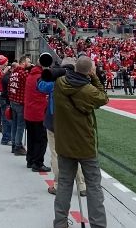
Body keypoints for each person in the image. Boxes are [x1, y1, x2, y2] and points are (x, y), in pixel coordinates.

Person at [51, 56, 109, 228]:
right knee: (93, 187)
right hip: (85, 145)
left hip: (64, 143)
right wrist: (95, 76)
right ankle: (98, 225)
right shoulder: (89, 90)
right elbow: (103, 98)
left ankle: (60, 222)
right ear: (89, 70)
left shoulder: (60, 83)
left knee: (64, 185)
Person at [38, 57, 86, 197]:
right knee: (75, 154)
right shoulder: (80, 80)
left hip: (55, 122)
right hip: (74, 123)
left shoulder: (55, 80)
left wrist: (47, 72)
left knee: (56, 154)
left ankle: (58, 185)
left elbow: (40, 86)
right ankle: (82, 185)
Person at [24, 53, 50, 172]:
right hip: (38, 112)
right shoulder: (41, 77)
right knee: (41, 139)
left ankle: (30, 160)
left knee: (31, 137)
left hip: (29, 111)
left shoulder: (30, 75)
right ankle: (38, 162)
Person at [7, 56, 29, 155]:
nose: (30, 63)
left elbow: (9, 87)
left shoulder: (13, 73)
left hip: (13, 101)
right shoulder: (23, 73)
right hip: (20, 102)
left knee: (14, 125)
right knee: (20, 126)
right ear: (23, 63)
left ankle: (14, 145)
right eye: (28, 62)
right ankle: (18, 146)